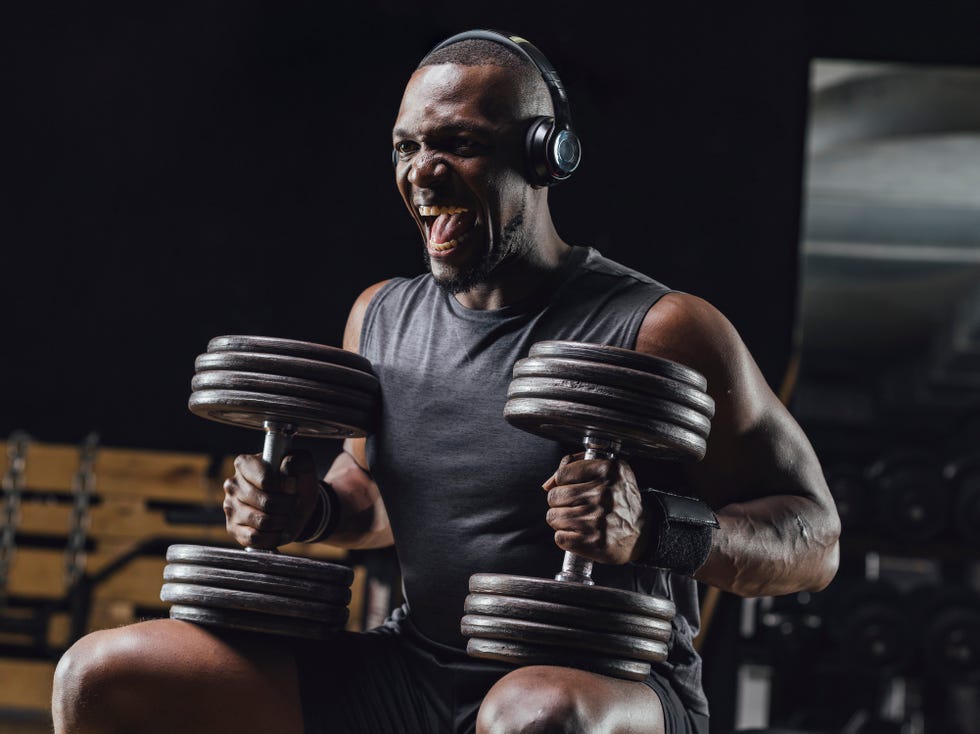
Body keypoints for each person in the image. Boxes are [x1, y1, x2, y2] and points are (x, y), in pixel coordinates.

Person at [51, 29, 841, 734]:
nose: (422, 174)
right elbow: (377, 498)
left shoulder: (665, 328)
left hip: (606, 685)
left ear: (543, 156)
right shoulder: (381, 316)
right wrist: (312, 507)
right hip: (412, 670)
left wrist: (657, 529)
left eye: (458, 142)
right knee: (104, 677)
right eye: (405, 147)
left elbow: (816, 540)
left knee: (531, 718)